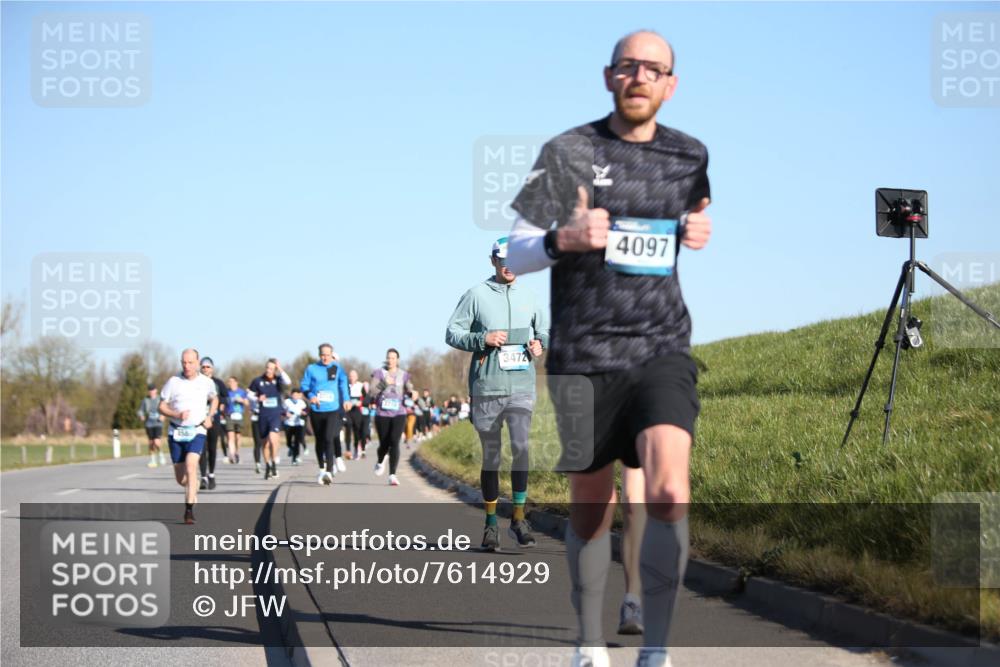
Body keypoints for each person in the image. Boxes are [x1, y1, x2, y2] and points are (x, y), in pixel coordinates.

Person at [505, 30, 713, 667]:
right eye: (628, 66)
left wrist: (697, 227)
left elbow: (694, 210)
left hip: (661, 348)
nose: (640, 77)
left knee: (669, 491)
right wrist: (561, 239)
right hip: (584, 353)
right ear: (608, 77)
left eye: (654, 69)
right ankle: (589, 639)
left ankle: (656, 647)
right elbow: (510, 250)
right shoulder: (567, 151)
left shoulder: (690, 155)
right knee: (591, 509)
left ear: (671, 85)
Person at [446, 236, 549, 551]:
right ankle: (491, 525)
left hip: (520, 387)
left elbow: (544, 330)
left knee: (520, 447)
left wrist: (539, 343)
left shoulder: (529, 296)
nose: (509, 266)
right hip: (488, 387)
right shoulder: (476, 295)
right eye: (503, 260)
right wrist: (483, 338)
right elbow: (452, 332)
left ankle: (518, 518)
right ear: (493, 261)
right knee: (491, 455)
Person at [158, 348, 218, 524]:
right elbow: (162, 406)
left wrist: (210, 416)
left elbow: (214, 399)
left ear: (198, 363)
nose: (187, 366)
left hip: (197, 430)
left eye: (190, 362)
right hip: (176, 431)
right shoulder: (173, 381)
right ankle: (194, 484)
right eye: (184, 362)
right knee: (181, 478)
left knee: (192, 466)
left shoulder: (206, 382)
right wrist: (176, 414)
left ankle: (189, 511)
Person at [300, 343, 351, 485]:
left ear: (332, 355)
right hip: (317, 410)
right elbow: (304, 386)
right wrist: (311, 396)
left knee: (329, 438)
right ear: (319, 354)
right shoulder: (312, 369)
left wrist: (346, 399)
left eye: (328, 355)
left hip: (332, 409)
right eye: (322, 354)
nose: (325, 357)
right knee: (320, 440)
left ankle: (328, 471)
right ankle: (321, 469)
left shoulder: (336, 368)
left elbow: (343, 383)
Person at [369, 348, 413, 486]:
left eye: (393, 358)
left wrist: (412, 392)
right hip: (382, 413)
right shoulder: (379, 373)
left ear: (397, 360)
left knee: (394, 442)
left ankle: (392, 474)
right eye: (388, 357)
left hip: (399, 413)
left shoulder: (403, 374)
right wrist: (384, 383)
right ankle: (381, 460)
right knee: (384, 443)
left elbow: (409, 387)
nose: (390, 360)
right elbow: (372, 391)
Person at [249, 358, 292, 480]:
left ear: (275, 369)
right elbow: (249, 394)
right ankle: (267, 464)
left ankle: (274, 463)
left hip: (275, 414)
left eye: (272, 368)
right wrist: (257, 398)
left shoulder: (279, 380)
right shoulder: (258, 381)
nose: (269, 370)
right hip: (263, 415)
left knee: (273, 439)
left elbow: (288, 381)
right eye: (267, 368)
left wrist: (280, 368)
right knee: (265, 444)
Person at [198, 357, 229, 490]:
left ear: (212, 368)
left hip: (213, 419)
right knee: (201, 449)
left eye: (208, 367)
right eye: (203, 367)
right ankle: (203, 477)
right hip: (199, 418)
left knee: (211, 448)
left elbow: (226, 397)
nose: (205, 369)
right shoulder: (196, 382)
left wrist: (221, 404)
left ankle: (211, 474)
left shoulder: (218, 382)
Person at [137, 383, 166, 467]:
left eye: (153, 390)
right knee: (150, 442)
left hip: (158, 423)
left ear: (156, 390)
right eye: (150, 390)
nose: (151, 392)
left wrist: (163, 415)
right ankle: (152, 460)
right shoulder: (145, 400)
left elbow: (165, 408)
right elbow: (140, 410)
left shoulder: (160, 399)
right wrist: (141, 415)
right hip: (149, 424)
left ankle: (160, 454)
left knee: (156, 442)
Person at [225, 377, 249, 464]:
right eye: (229, 382)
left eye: (232, 382)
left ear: (236, 382)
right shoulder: (226, 392)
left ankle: (237, 452)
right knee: (230, 436)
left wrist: (241, 400)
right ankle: (232, 455)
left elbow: (247, 403)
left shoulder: (241, 392)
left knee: (238, 437)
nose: (230, 383)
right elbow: (223, 404)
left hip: (239, 415)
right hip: (229, 415)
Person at [344, 370, 367, 459]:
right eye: (350, 376)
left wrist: (360, 402)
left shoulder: (360, 386)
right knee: (348, 426)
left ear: (357, 377)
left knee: (357, 430)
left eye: (353, 376)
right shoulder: (346, 385)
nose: (352, 378)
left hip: (357, 410)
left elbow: (366, 398)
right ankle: (348, 450)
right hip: (348, 410)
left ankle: (356, 450)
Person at [283, 388, 308, 465]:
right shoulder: (286, 402)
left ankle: (295, 458)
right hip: (288, 424)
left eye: (297, 395)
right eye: (294, 395)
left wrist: (304, 413)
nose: (295, 396)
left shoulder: (301, 402)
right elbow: (281, 411)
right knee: (288, 441)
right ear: (291, 395)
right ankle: (290, 448)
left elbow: (306, 410)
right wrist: (286, 414)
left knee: (297, 441)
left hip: (298, 424)